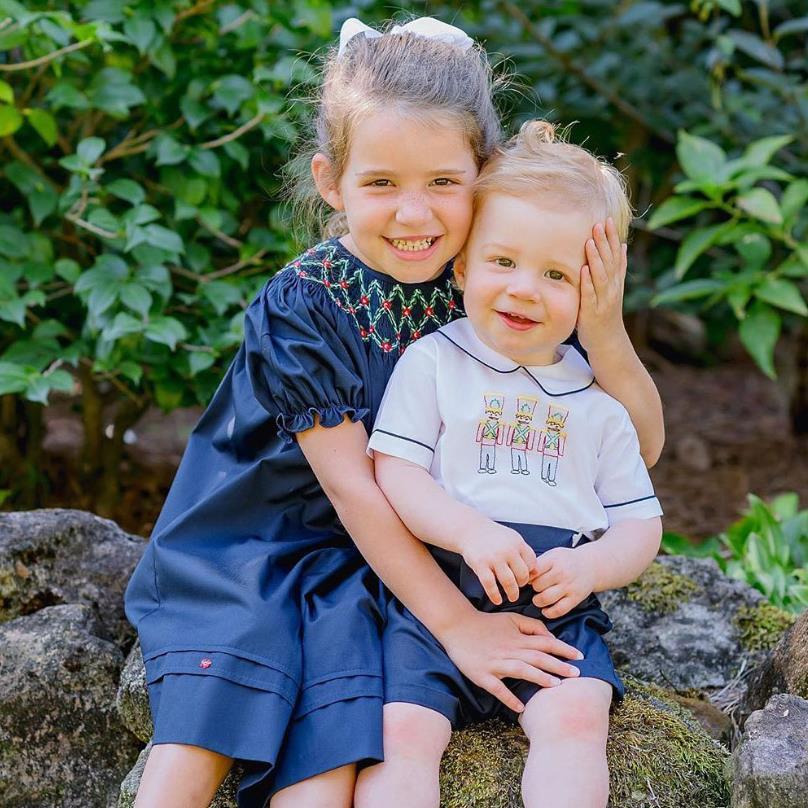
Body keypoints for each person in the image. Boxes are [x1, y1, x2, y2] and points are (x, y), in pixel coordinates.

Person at [124, 17, 665, 808]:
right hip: (263, 539)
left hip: (385, 553)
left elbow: (636, 447)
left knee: (336, 747)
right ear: (330, 181)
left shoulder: (490, 283)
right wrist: (457, 625)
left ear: (484, 174)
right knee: (212, 707)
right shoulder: (301, 305)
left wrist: (602, 325)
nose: (415, 216)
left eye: (444, 183)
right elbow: (352, 490)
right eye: (381, 184)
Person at [359, 121, 664, 808]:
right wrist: (468, 531)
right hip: (438, 596)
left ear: (592, 292)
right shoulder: (435, 361)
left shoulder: (597, 401)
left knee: (577, 718)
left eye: (556, 275)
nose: (525, 290)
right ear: (463, 266)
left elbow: (640, 522)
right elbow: (396, 473)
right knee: (401, 731)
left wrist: (593, 566)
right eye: (504, 262)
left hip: (556, 610)